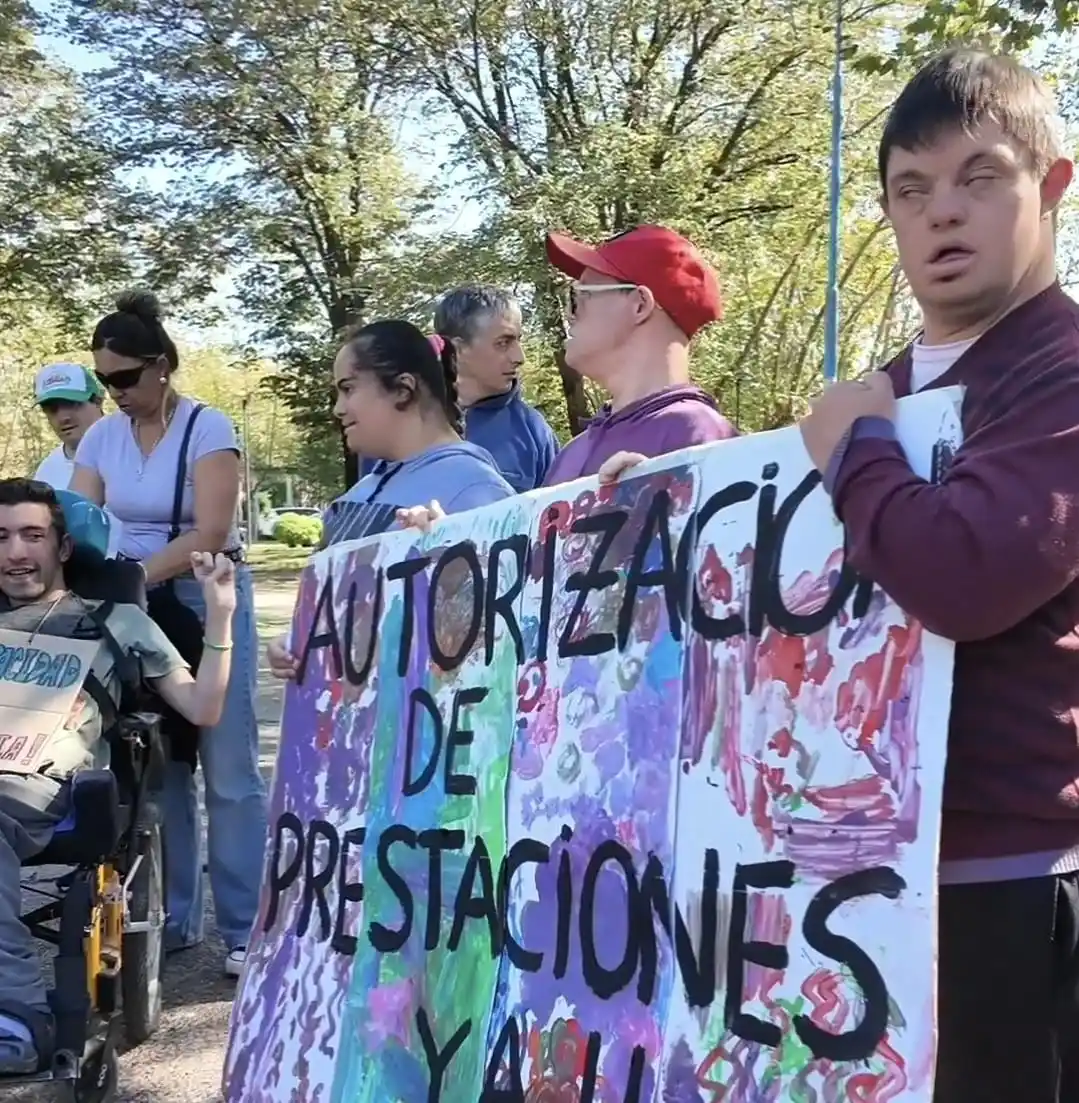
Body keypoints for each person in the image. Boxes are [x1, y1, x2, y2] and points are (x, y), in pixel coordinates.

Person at [797, 50, 1079, 1103]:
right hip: (853, 883)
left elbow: (961, 571)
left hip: (1006, 883)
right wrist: (655, 509)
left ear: (1050, 185)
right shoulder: (884, 395)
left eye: (979, 177)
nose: (941, 214)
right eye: (910, 191)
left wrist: (852, 449)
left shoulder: (1059, 367)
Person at [0, 477, 235, 1073]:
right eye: (0, 538)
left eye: (32, 535)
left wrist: (221, 616)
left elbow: (202, 707)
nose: (15, 552)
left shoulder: (112, 620)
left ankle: (21, 1014)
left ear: (63, 547)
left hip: (42, 783)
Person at [69, 290, 266, 978]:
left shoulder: (209, 428)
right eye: (104, 381)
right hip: (135, 602)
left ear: (161, 366)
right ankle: (178, 916)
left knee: (230, 767)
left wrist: (137, 574)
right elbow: (82, 518)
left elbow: (210, 530)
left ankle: (245, 926)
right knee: (164, 764)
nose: (115, 392)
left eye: (125, 377)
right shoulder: (100, 437)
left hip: (203, 591)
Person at [267, 319, 515, 679]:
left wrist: (445, 561)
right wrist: (294, 642)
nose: (338, 408)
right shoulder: (360, 493)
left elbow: (500, 637)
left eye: (348, 389)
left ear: (403, 389)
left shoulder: (477, 490)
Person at [362, 286, 559, 492]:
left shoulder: (533, 430)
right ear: (456, 349)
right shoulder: (391, 426)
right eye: (503, 343)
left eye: (518, 340)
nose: (519, 357)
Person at [31, 364, 121, 558]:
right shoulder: (47, 470)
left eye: (72, 403)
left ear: (97, 400)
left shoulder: (134, 447)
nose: (63, 417)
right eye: (52, 409)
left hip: (142, 577)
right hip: (78, 579)